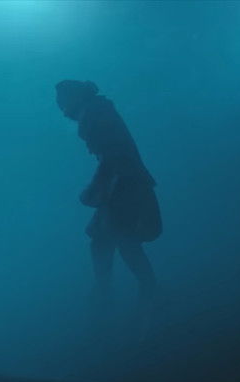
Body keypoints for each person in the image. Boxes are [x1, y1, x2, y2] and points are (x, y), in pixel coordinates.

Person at [55, 80, 162, 321]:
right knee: (104, 239)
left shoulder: (94, 114)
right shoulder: (96, 111)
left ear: (74, 98)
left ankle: (144, 291)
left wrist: (95, 187)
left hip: (124, 184)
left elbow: (113, 155)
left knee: (121, 240)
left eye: (63, 103)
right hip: (120, 184)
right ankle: (108, 292)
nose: (63, 111)